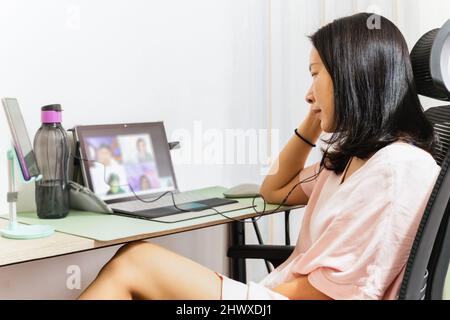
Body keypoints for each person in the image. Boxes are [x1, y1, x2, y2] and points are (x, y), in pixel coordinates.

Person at [79, 13, 440, 300]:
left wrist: (231, 295)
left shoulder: (397, 170)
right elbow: (276, 189)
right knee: (138, 266)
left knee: (137, 262)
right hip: (280, 293)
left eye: (315, 75)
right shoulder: (352, 161)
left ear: (350, 77)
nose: (307, 94)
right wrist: (316, 119)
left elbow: (335, 293)